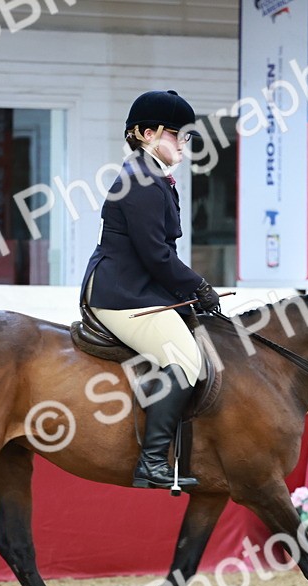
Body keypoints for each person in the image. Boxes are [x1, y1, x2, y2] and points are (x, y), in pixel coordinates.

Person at [81, 90, 220, 491]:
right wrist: (199, 287)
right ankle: (152, 462)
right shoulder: (141, 180)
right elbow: (156, 255)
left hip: (138, 288)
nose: (183, 144)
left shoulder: (152, 176)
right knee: (186, 359)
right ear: (145, 133)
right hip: (120, 294)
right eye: (177, 134)